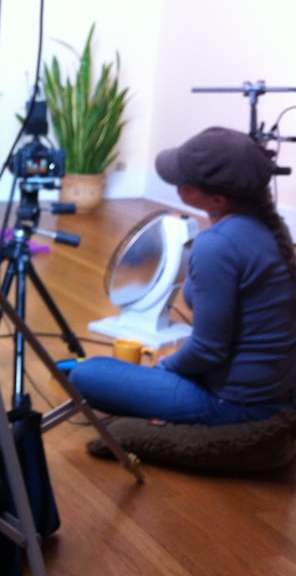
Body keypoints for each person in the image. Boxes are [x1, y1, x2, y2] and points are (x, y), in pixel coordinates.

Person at [69, 127, 296, 425]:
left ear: (217, 200)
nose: (176, 184)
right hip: (272, 390)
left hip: (233, 403)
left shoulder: (218, 244)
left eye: (184, 182)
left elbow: (208, 349)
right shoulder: (269, 229)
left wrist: (166, 369)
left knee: (86, 374)